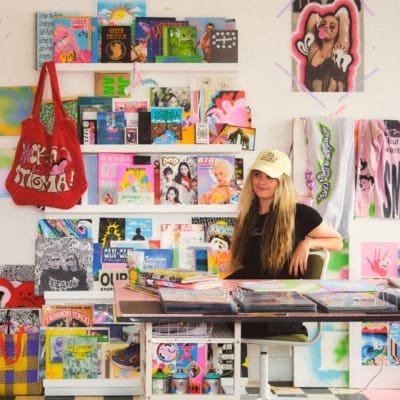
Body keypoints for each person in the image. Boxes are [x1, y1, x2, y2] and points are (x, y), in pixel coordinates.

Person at [226, 149, 343, 338]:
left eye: (270, 177)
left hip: (278, 308)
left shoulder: (300, 213)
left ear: (282, 182)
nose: (261, 181)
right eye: (257, 175)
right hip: (248, 299)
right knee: (202, 308)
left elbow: (337, 242)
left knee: (215, 319)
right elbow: (247, 266)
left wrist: (306, 245)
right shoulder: (247, 216)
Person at [301, 7, 352, 92]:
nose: (327, 27)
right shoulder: (313, 49)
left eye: (332, 26)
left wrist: (333, 18)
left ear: (338, 31)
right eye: (323, 24)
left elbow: (343, 14)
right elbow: (313, 16)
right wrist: (322, 23)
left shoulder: (339, 49)